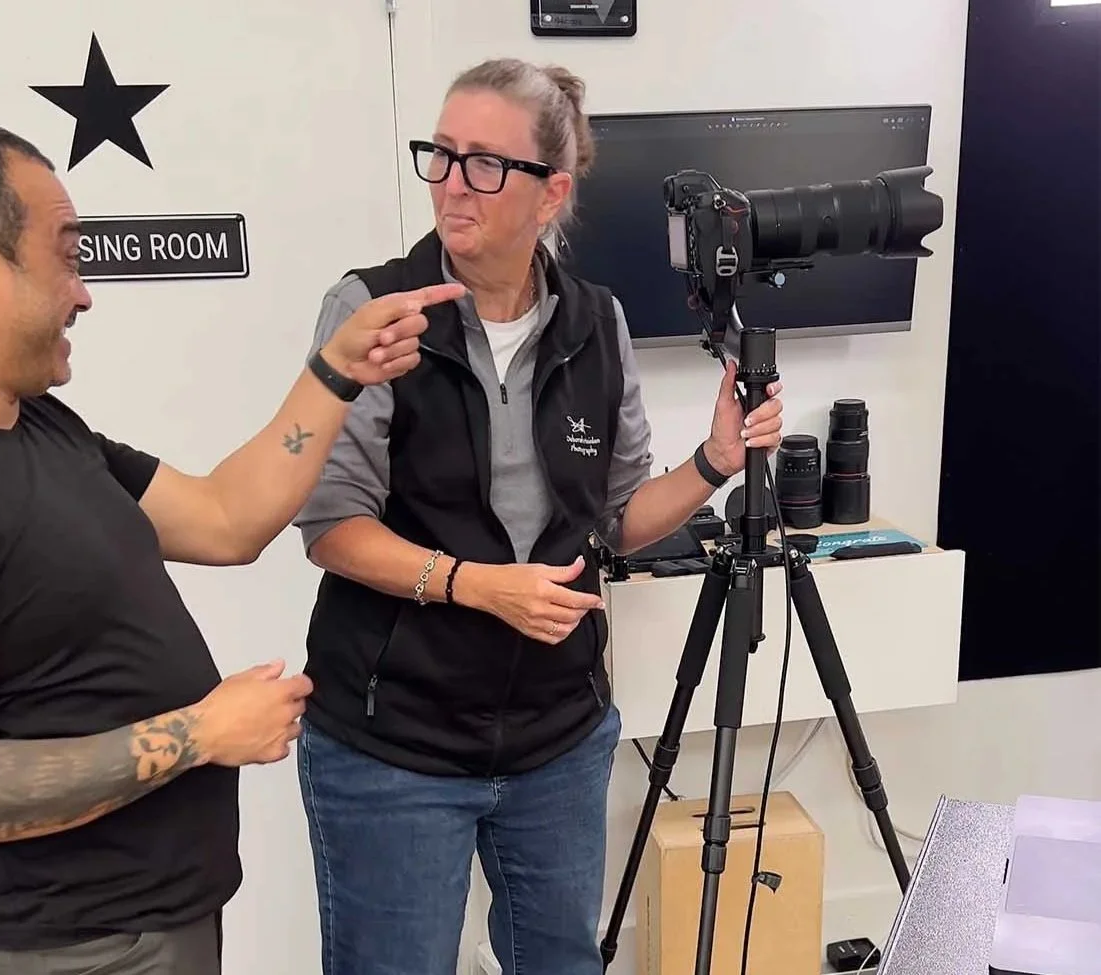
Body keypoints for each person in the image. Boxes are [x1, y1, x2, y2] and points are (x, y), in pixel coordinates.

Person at [0, 118, 463, 975]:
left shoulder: (31, 422)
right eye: (66, 255)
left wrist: (337, 371)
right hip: (80, 949)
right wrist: (199, 731)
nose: (83, 293)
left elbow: (226, 516)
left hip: (158, 919)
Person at [291, 57, 785, 975]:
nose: (451, 184)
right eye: (439, 156)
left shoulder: (596, 322)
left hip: (557, 740)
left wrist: (716, 459)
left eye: (485, 163)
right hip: (393, 746)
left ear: (550, 192)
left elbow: (619, 521)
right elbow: (331, 526)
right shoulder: (372, 309)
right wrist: (476, 587)